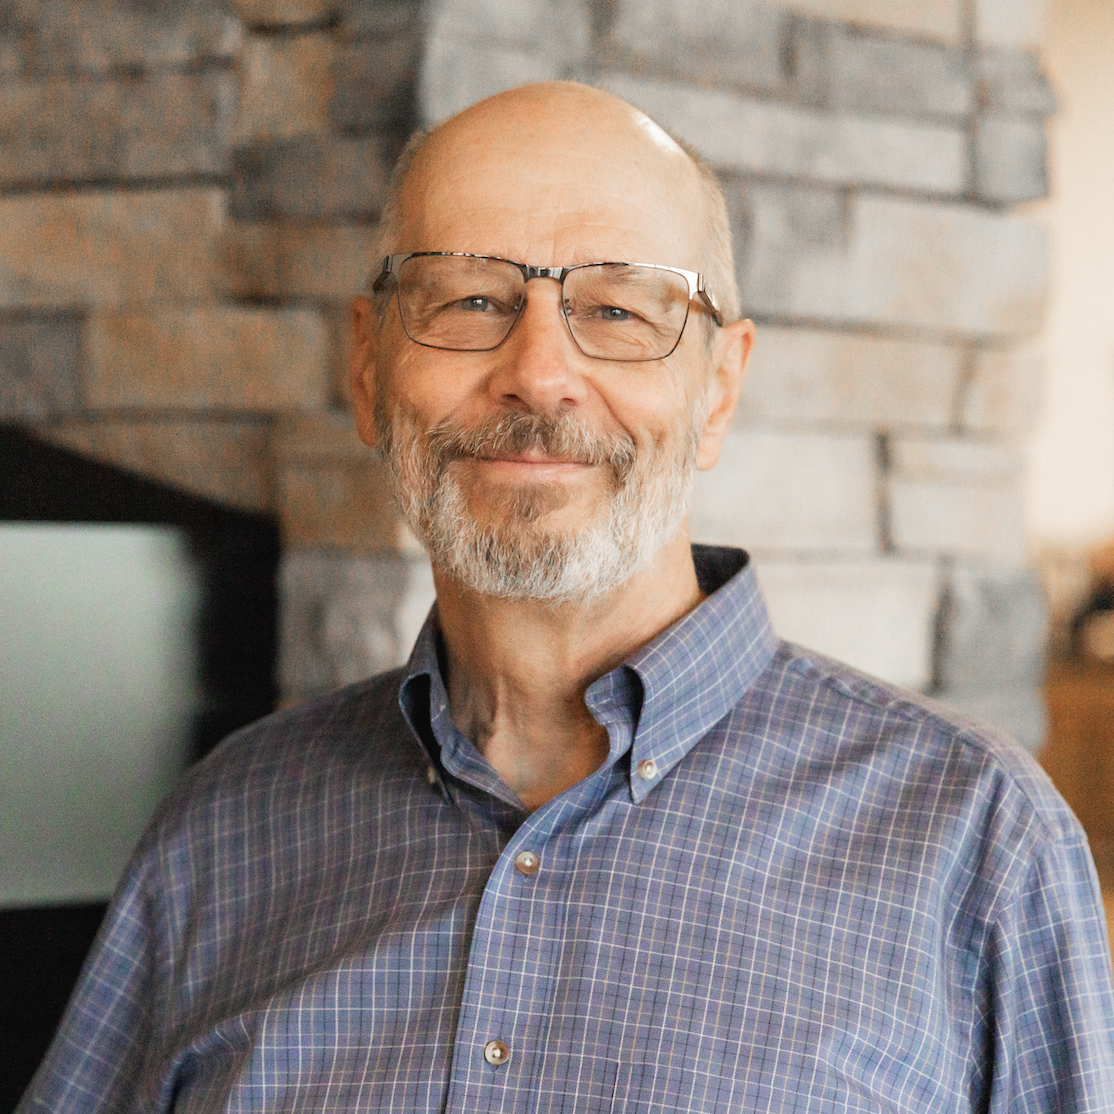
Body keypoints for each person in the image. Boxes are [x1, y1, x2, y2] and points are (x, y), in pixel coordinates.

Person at [19, 82, 1114, 1113]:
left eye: (620, 311)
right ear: (366, 366)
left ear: (718, 386)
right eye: (469, 298)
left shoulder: (974, 840)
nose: (538, 373)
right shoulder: (223, 832)